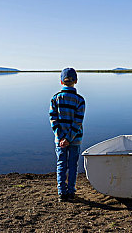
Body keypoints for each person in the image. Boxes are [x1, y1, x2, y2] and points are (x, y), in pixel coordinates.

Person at [49, 67, 85, 202]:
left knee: (61, 164)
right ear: (76, 81)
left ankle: (61, 193)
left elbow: (53, 119)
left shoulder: (55, 98)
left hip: (59, 140)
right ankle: (71, 192)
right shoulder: (80, 100)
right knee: (73, 165)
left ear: (61, 81)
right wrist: (69, 138)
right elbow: (78, 122)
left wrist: (61, 137)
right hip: (75, 139)